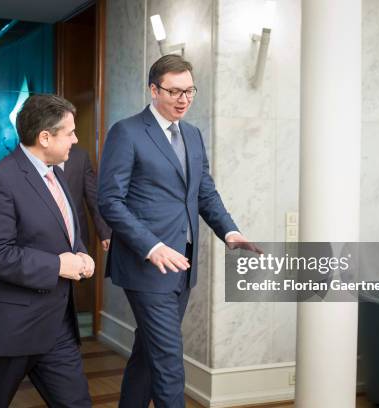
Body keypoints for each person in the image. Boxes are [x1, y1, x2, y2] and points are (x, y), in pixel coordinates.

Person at [98, 55, 252, 407]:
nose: (184, 99)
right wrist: (151, 246)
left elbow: (204, 191)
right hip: (146, 265)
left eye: (190, 91)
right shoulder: (127, 131)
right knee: (169, 360)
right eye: (175, 91)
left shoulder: (194, 135)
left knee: (149, 352)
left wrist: (229, 231)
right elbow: (110, 201)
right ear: (154, 90)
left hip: (183, 264)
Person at [0, 94, 94, 408]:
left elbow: (63, 229)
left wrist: (81, 252)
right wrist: (57, 265)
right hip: (10, 327)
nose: (76, 139)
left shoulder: (57, 174)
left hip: (57, 326)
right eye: (70, 132)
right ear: (45, 137)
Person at [61, 145, 111, 251]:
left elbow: (93, 197)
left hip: (77, 237)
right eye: (69, 133)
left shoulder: (80, 156)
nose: (75, 139)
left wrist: (105, 232)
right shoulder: (32, 156)